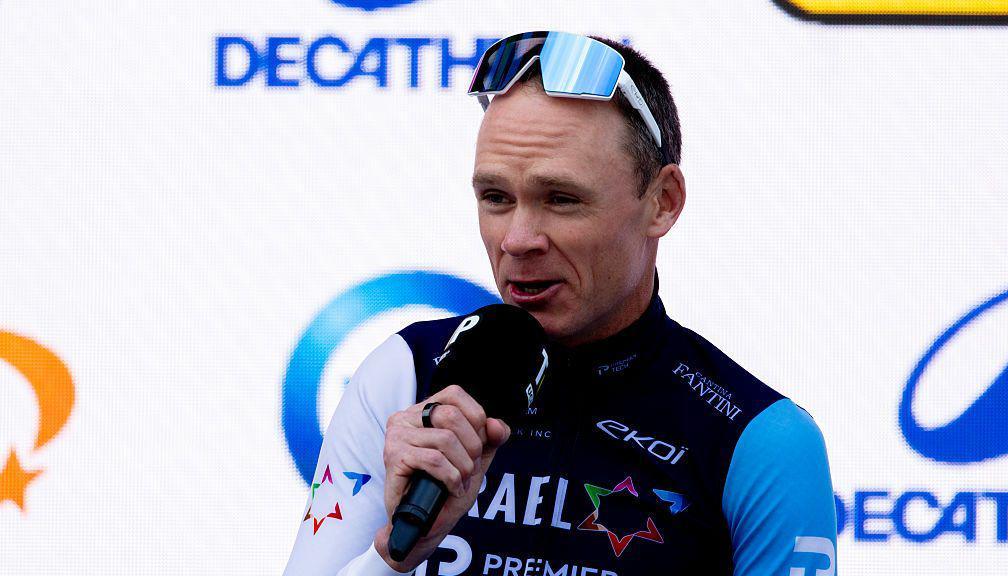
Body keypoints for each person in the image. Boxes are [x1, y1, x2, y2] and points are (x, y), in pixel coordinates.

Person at [283, 31, 837, 576]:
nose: (517, 239)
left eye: (561, 199)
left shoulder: (760, 440)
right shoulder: (405, 375)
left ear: (663, 203)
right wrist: (394, 557)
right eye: (496, 197)